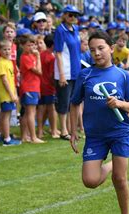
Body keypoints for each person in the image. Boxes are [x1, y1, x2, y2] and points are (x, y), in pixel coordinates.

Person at [69, 31, 129, 214]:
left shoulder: (122, 75)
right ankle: (111, 164)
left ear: (111, 48)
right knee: (90, 181)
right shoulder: (85, 75)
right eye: (92, 50)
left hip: (120, 131)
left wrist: (119, 103)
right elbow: (74, 103)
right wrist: (73, 130)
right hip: (95, 135)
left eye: (101, 48)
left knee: (119, 178)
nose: (97, 53)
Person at [54, 5, 82, 141]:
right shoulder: (60, 31)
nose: (73, 17)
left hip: (76, 71)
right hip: (65, 71)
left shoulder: (76, 29)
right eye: (70, 15)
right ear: (64, 15)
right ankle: (64, 131)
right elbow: (58, 53)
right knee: (64, 102)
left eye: (75, 15)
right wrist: (62, 74)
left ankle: (73, 129)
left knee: (74, 101)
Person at [0, 40, 20, 145]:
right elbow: (4, 80)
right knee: (6, 116)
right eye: (5, 49)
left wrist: (15, 92)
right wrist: (11, 94)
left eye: (9, 49)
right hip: (6, 94)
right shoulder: (2, 62)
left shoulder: (9, 61)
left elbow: (11, 80)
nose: (7, 51)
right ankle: (7, 139)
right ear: (0, 51)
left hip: (10, 92)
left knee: (4, 114)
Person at [19, 34, 44, 144]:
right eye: (29, 45)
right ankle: (33, 137)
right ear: (23, 46)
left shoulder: (31, 56)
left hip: (33, 86)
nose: (32, 48)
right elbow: (39, 71)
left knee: (27, 113)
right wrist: (38, 57)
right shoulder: (25, 57)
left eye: (33, 45)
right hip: (29, 87)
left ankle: (25, 136)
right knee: (31, 112)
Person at [39, 33, 60, 139]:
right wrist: (55, 85)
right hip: (49, 86)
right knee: (52, 109)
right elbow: (52, 74)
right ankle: (53, 130)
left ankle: (41, 129)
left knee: (45, 109)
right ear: (53, 45)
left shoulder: (41, 54)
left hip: (41, 85)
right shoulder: (52, 57)